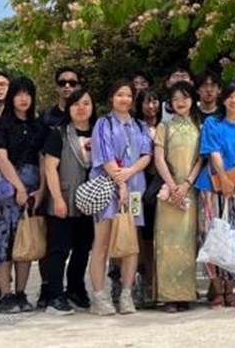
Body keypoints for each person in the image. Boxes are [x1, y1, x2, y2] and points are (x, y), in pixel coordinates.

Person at [87, 80, 153, 315]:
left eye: (128, 95)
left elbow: (146, 155)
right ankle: (99, 296)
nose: (124, 99)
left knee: (130, 244)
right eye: (119, 95)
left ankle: (126, 294)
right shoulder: (103, 124)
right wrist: (120, 182)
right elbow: (104, 156)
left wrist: (130, 173)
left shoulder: (140, 126)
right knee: (102, 243)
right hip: (108, 188)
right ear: (111, 98)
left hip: (134, 189)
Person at [197, 82, 235, 308]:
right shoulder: (212, 123)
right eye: (231, 96)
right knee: (212, 234)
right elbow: (213, 152)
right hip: (213, 187)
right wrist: (223, 178)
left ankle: (231, 289)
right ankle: (216, 288)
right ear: (224, 99)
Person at [0, 77, 47, 313]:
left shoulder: (39, 125)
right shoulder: (1, 124)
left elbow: (43, 158)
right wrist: (18, 187)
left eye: (27, 94)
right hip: (6, 189)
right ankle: (5, 293)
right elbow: (1, 158)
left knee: (25, 238)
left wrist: (42, 189)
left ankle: (21, 292)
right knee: (3, 240)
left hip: (33, 188)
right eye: (19, 93)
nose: (23, 98)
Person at [41, 87, 96, 315]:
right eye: (76, 104)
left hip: (91, 201)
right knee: (59, 249)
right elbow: (50, 168)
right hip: (64, 197)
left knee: (83, 248)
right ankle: (55, 295)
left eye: (86, 103)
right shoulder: (59, 133)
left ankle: (76, 288)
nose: (81, 108)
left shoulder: (99, 132)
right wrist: (57, 198)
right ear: (69, 108)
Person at [153, 81, 204, 312]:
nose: (180, 102)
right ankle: (168, 295)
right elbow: (158, 158)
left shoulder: (198, 126)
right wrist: (173, 186)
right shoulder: (164, 127)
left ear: (192, 99)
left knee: (187, 241)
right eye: (175, 99)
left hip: (190, 191)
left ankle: (185, 293)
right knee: (167, 242)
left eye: (184, 97)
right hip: (168, 191)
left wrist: (186, 184)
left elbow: (200, 159)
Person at [135, 89, 163, 305]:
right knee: (139, 235)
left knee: (156, 235)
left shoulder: (166, 126)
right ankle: (141, 281)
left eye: (154, 101)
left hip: (160, 184)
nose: (151, 106)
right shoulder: (134, 127)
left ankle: (156, 283)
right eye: (147, 102)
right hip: (138, 182)